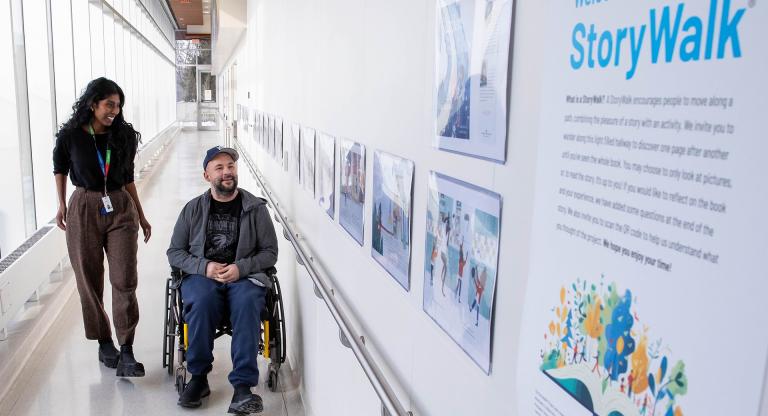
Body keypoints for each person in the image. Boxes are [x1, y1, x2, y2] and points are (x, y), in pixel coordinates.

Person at [167, 146, 278, 414]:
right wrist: (204, 267)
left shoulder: (255, 209)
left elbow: (270, 253)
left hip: (244, 277)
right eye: (219, 168)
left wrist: (241, 268)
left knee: (249, 301)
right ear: (207, 175)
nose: (227, 172)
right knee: (202, 300)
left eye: (230, 166)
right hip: (204, 277)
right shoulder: (192, 209)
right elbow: (175, 252)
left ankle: (242, 388)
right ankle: (199, 378)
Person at [53, 77, 151, 377]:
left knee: (125, 279)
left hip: (120, 205)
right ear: (92, 104)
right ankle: (104, 340)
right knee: (89, 279)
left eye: (118, 105)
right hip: (83, 205)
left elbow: (129, 177)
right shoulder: (70, 136)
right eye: (110, 104)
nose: (115, 111)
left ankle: (127, 348)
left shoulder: (123, 136)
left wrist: (142, 215)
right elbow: (60, 169)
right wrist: (61, 204)